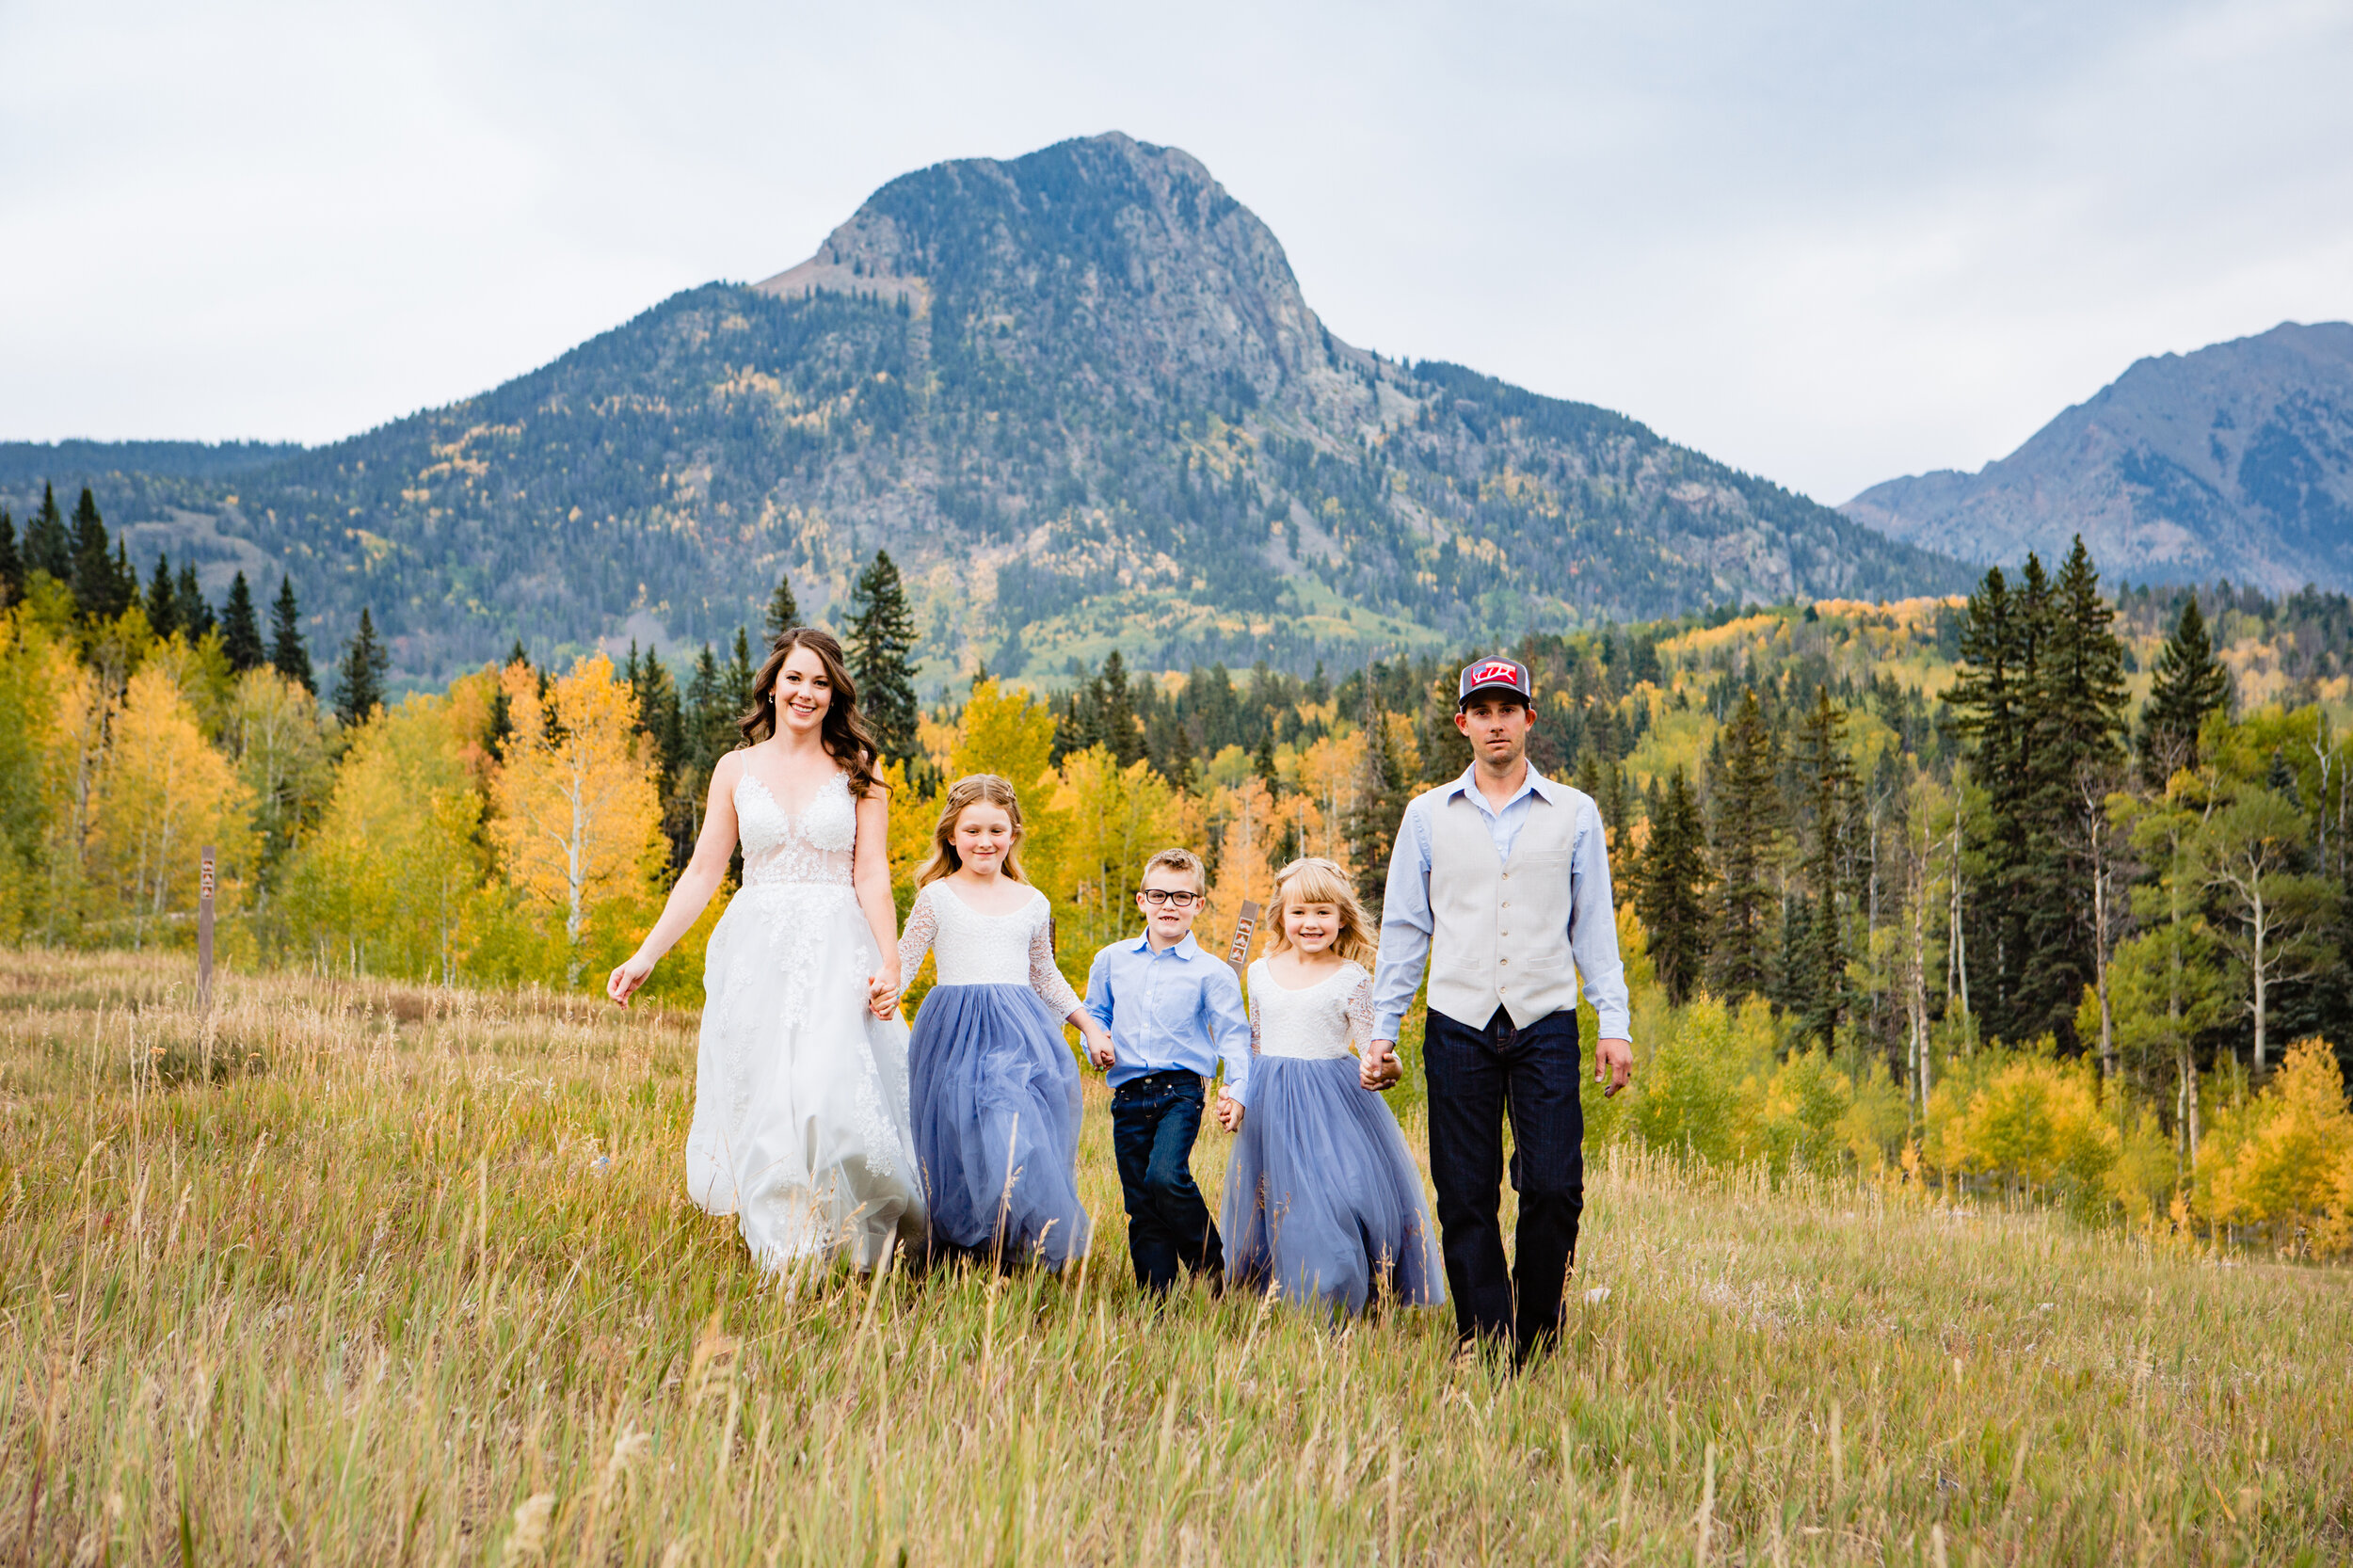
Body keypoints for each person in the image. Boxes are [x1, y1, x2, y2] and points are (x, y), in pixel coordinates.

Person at [606, 628, 922, 1273]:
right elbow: (702, 873)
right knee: (769, 1098)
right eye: (795, 679)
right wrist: (646, 955)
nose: (806, 692)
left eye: (820, 682)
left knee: (829, 1095)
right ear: (772, 686)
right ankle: (788, 1256)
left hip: (839, 947)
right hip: (757, 950)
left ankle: (860, 1236)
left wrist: (890, 962)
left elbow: (871, 876)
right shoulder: (736, 769)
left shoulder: (862, 769)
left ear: (835, 694)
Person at [1362, 656, 1634, 1364]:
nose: (1495, 723)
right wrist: (1382, 1029)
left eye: (1507, 709)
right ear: (1463, 724)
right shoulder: (1425, 816)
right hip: (1458, 1023)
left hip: (1546, 1021)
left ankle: (1537, 1335)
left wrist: (1615, 1023)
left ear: (1528, 719)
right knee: (1464, 1193)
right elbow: (1403, 931)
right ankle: (1486, 1340)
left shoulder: (1575, 812)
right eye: (1481, 711)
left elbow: (1594, 928)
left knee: (1553, 1187)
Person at [888, 774, 1115, 1271]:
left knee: (1009, 1129)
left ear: (1013, 834)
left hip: (1019, 1034)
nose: (984, 841)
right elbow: (903, 962)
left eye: (996, 830)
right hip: (951, 1032)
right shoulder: (936, 897)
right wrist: (882, 996)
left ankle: (1015, 1249)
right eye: (972, 831)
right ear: (951, 835)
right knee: (958, 1138)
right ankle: (961, 1253)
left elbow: (1045, 974)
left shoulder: (1031, 901)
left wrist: (1090, 1027)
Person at [1217, 857, 1444, 1317]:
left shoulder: (1353, 979)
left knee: (1338, 1201)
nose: (1311, 923)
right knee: (1275, 1203)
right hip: (1270, 1103)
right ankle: (1282, 1296)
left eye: (1323, 912)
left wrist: (1387, 1068)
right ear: (1281, 914)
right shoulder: (1260, 972)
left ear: (1343, 918)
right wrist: (1235, 1092)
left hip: (1332, 1106)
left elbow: (1374, 1050)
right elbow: (1251, 1043)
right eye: (1300, 911)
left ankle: (1336, 1297)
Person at [1081, 847, 1253, 1298]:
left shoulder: (1212, 972)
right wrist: (1094, 1042)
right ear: (1141, 900)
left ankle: (1211, 1262)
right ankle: (1155, 1298)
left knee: (1165, 1176)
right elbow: (1095, 1013)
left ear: (1198, 904)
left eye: (1181, 897)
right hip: (1128, 1093)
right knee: (1140, 1201)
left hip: (1181, 1091)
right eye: (1158, 895)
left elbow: (1235, 1035)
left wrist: (1237, 1090)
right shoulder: (1112, 960)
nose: (1169, 906)